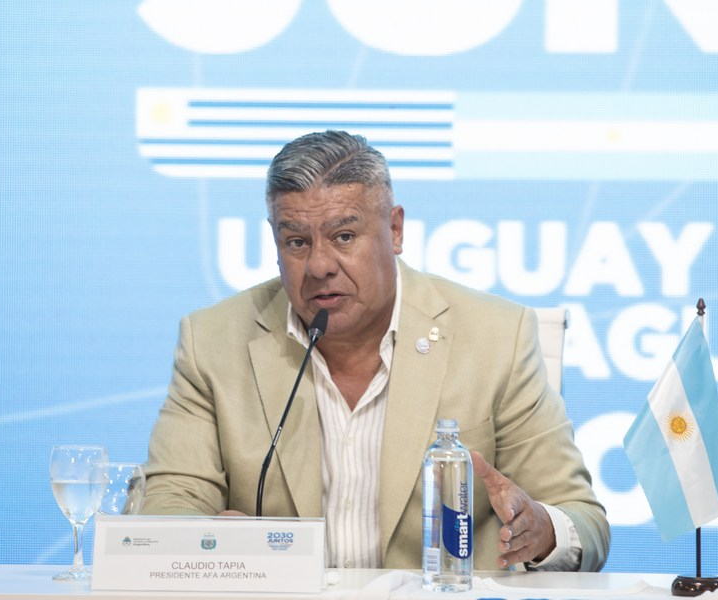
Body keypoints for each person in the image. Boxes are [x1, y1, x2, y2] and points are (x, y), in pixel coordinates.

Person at [142, 130, 610, 572]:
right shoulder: (212, 342)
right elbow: (167, 503)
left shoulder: (496, 336)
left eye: (344, 236)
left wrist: (540, 529)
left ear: (395, 229)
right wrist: (204, 536)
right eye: (296, 242)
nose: (319, 266)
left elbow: (583, 523)